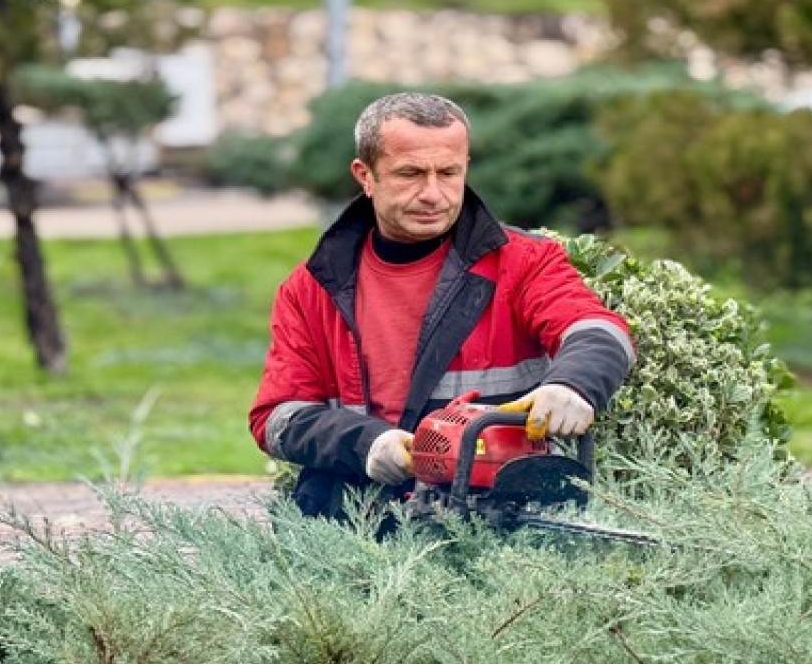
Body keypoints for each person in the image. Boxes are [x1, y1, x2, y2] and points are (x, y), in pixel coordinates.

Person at [249, 92, 635, 520]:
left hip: (492, 523)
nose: (433, 193)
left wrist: (573, 385)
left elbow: (599, 330)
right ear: (365, 175)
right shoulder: (311, 288)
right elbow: (278, 418)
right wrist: (368, 444)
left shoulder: (523, 262)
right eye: (410, 173)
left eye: (449, 172)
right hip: (349, 521)